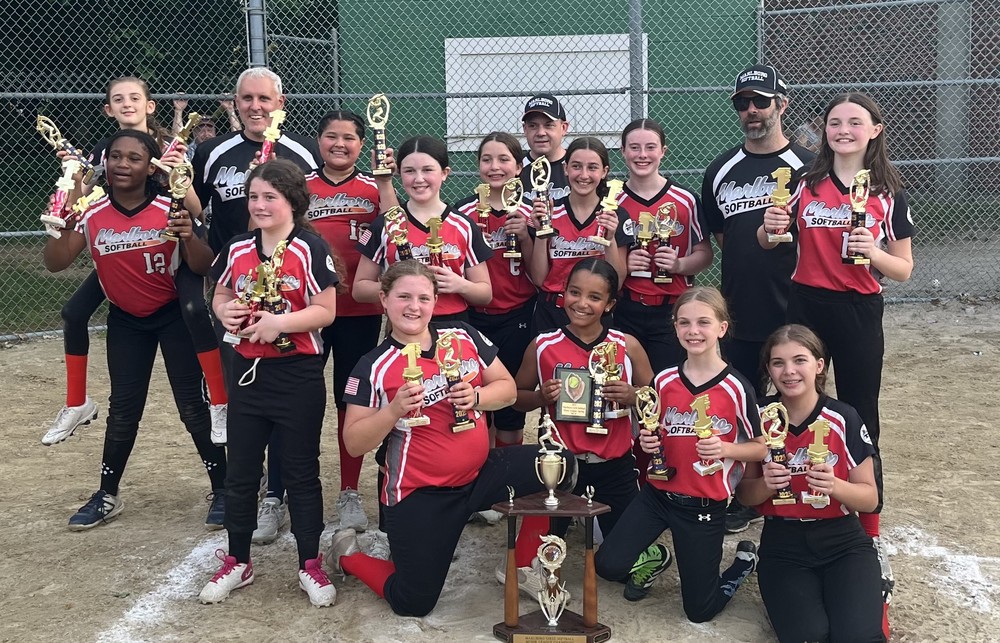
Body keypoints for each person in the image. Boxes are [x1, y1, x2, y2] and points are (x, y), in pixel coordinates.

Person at [326, 260, 576, 617]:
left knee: (560, 464)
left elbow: (507, 389)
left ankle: (522, 567)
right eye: (403, 297)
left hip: (479, 475)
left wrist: (477, 397)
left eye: (423, 298)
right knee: (413, 602)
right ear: (384, 299)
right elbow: (354, 443)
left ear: (435, 301)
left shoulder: (462, 335)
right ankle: (347, 555)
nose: (414, 306)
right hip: (422, 493)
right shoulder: (373, 365)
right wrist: (393, 410)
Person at [759, 92, 913, 633]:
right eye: (834, 122)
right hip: (807, 303)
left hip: (858, 309)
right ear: (824, 131)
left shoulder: (889, 192)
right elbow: (769, 240)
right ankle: (785, 493)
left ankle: (867, 531)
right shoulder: (805, 183)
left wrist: (873, 250)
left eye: (854, 122)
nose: (843, 130)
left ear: (875, 130)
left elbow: (904, 269)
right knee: (792, 400)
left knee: (859, 412)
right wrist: (770, 227)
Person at [42, 130, 227, 531]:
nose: (123, 164)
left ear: (151, 167)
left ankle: (223, 487)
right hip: (126, 320)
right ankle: (107, 494)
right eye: (115, 157)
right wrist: (58, 225)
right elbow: (56, 263)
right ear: (104, 162)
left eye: (134, 158)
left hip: (172, 316)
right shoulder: (91, 211)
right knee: (124, 411)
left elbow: (204, 266)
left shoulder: (169, 205)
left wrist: (188, 236)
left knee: (192, 408)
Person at [200, 159, 339, 607]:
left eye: (270, 197)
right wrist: (224, 310)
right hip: (247, 373)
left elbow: (326, 310)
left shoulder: (310, 248)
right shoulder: (239, 246)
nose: (259, 205)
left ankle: (310, 563)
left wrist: (280, 322)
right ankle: (238, 560)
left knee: (301, 471)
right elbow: (221, 292)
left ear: (292, 202)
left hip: (296, 373)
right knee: (241, 471)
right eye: (254, 196)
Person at [594, 287, 766, 621]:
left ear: (722, 328)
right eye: (684, 322)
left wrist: (726, 449)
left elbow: (761, 446)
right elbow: (653, 428)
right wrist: (649, 440)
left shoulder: (736, 388)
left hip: (703, 504)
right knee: (608, 564)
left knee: (699, 611)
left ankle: (742, 565)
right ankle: (656, 556)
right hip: (658, 496)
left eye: (703, 322)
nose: (693, 330)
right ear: (675, 327)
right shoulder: (664, 379)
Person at [701, 64, 815, 534]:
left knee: (798, 399)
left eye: (761, 101)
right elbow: (724, 238)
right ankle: (750, 494)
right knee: (746, 403)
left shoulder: (809, 167)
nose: (751, 110)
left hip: (797, 308)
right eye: (742, 102)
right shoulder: (721, 170)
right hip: (742, 307)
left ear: (781, 105)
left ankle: (804, 485)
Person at [510, 258, 653, 593]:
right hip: (559, 468)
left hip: (615, 466)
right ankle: (566, 524)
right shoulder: (543, 345)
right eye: (575, 292)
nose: (582, 303)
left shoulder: (626, 346)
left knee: (620, 565)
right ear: (563, 292)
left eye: (594, 297)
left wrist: (632, 395)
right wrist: (540, 397)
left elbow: (657, 397)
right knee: (534, 566)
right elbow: (516, 397)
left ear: (610, 304)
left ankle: (603, 530)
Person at [736, 324, 884, 643]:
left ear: (819, 366)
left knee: (857, 636)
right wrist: (767, 485)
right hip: (783, 543)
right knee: (809, 635)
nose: (789, 371)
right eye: (778, 363)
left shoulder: (844, 417)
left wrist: (835, 485)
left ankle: (873, 584)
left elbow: (870, 499)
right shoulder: (759, 416)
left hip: (842, 540)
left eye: (799, 360)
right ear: (769, 370)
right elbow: (745, 496)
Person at [301, 110, 390, 542]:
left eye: (349, 137)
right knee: (298, 400)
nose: (340, 144)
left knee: (348, 401)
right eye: (331, 136)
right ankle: (283, 490)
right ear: (318, 140)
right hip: (305, 311)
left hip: (358, 311)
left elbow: (396, 230)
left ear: (362, 144)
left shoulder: (373, 188)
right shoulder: (300, 186)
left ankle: (349, 491)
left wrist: (387, 182)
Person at [617, 118, 714, 488]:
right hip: (625, 309)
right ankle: (628, 474)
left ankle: (668, 472)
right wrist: (623, 264)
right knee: (623, 396)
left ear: (663, 151)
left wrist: (680, 264)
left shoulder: (684, 200)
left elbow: (705, 253)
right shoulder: (612, 199)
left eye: (650, 147)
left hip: (669, 312)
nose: (642, 155)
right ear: (623, 152)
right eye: (634, 147)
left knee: (667, 394)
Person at [454, 132, 536, 450]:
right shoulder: (462, 213)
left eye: (504, 159)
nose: (494, 166)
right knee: (477, 400)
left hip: (517, 316)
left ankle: (507, 471)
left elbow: (540, 274)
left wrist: (526, 236)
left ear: (519, 167)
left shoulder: (530, 211)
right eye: (486, 159)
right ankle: (483, 467)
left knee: (510, 409)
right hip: (473, 317)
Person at [353, 136, 493, 322]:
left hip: (453, 324)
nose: (419, 179)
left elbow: (485, 293)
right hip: (403, 325)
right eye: (409, 171)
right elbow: (359, 289)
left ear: (444, 173)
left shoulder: (464, 225)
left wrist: (460, 285)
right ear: (399, 173)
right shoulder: (385, 224)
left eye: (427, 170)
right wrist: (399, 285)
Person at [529, 137, 629, 333]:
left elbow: (617, 281)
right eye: (576, 166)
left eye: (592, 167)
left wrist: (609, 240)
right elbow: (539, 279)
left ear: (604, 172)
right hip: (551, 311)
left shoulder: (614, 214)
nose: (584, 175)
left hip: (595, 313)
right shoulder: (550, 212)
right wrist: (542, 233)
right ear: (565, 168)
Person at [519, 93, 571, 202]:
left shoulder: (577, 168)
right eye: (533, 126)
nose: (541, 133)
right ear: (525, 129)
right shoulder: (515, 168)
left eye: (549, 125)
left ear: (563, 128)